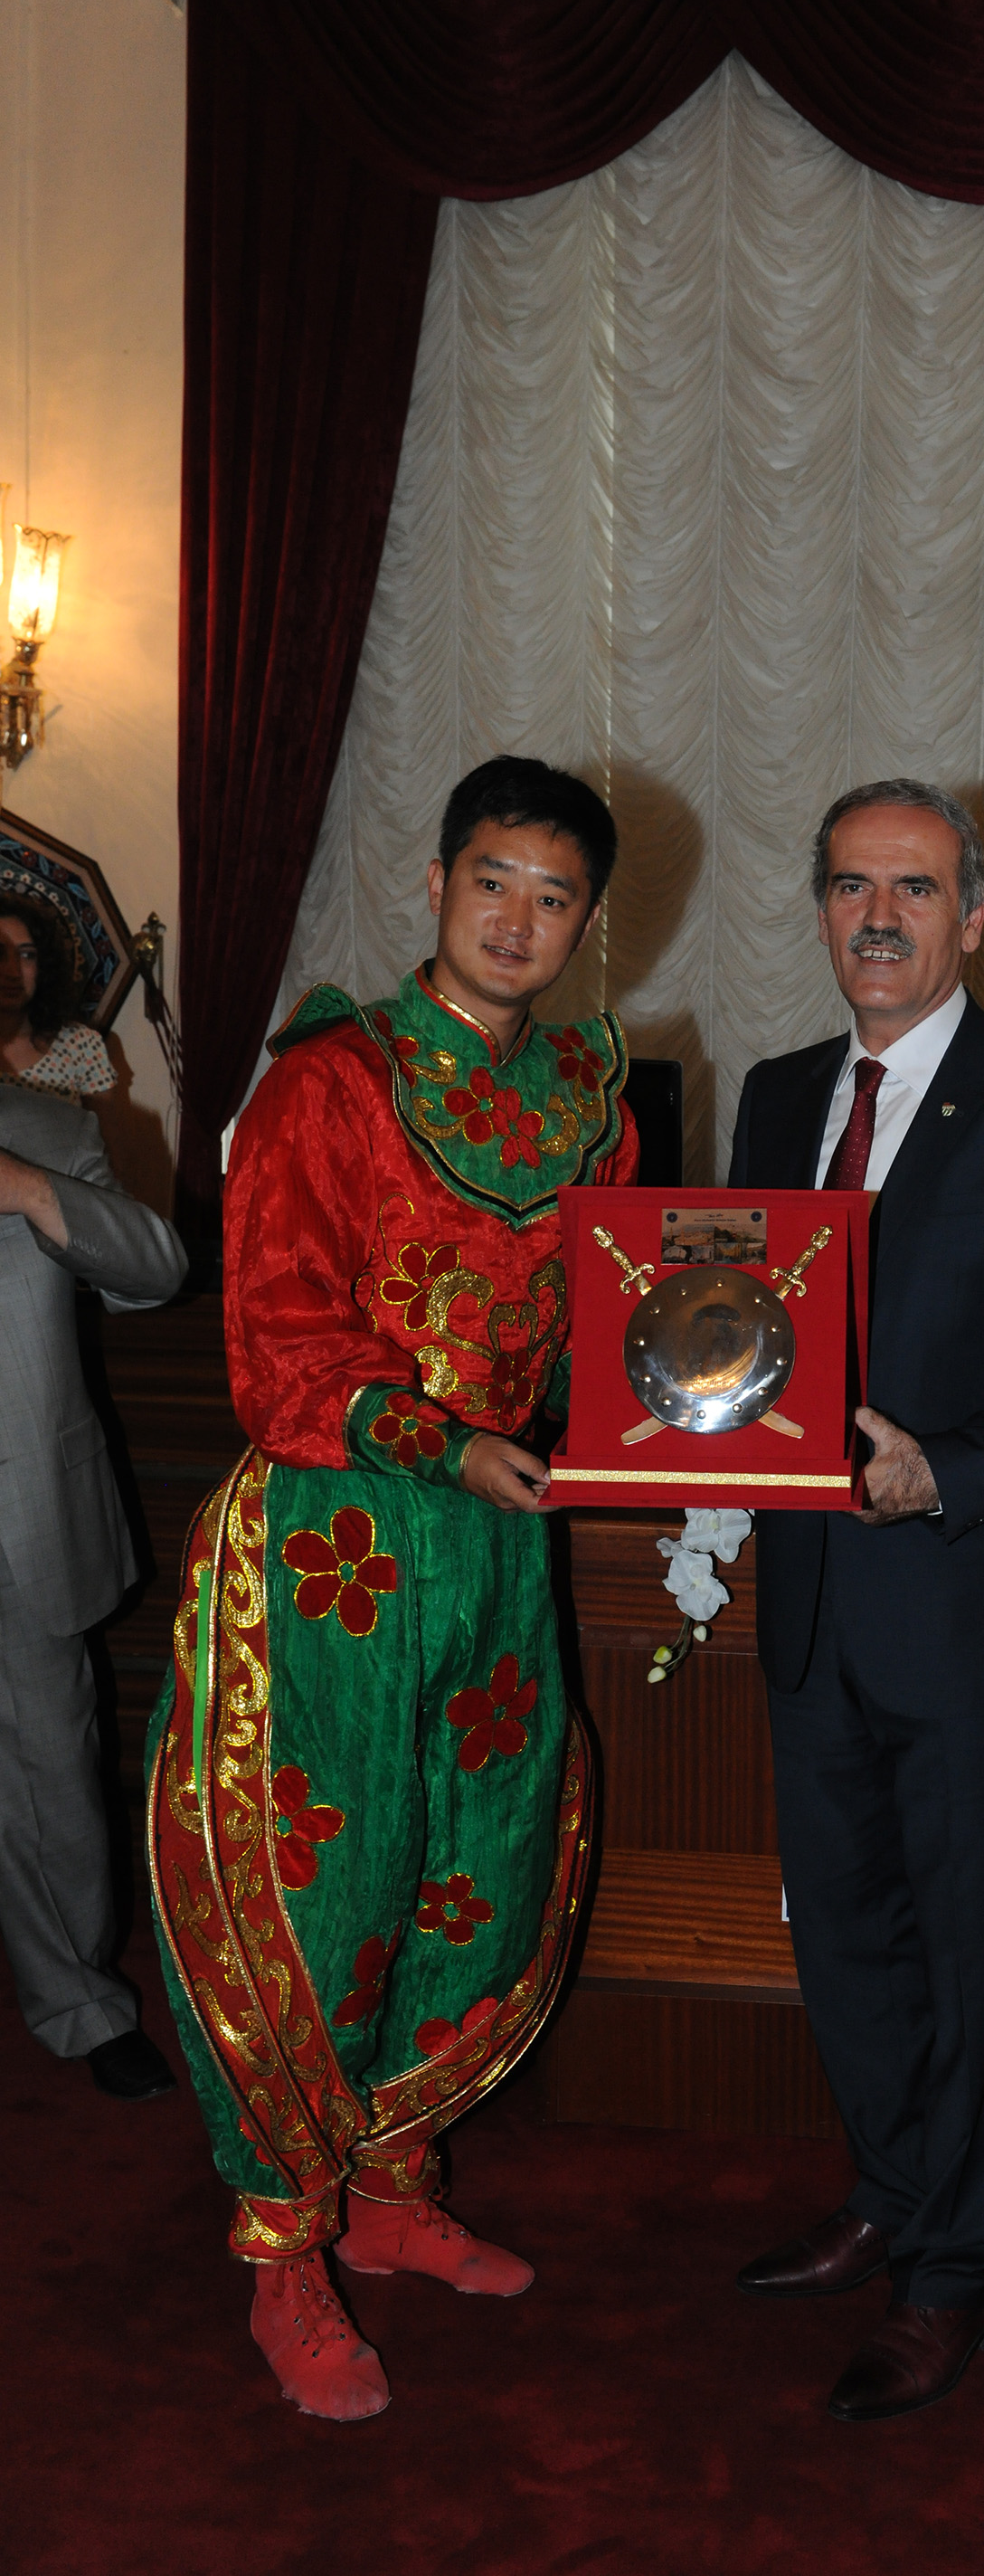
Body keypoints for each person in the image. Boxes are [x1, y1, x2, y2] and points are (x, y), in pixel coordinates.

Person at [147, 756, 639, 2423]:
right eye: (493, 881)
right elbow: (278, 1332)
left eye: (554, 897)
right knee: (325, 1887)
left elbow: (623, 1318)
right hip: (334, 1538)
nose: (518, 920)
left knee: (478, 1862)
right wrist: (435, 1438)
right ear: (436, 886)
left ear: (587, 920)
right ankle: (284, 2246)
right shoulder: (329, 1079)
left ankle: (394, 2185)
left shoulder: (592, 1097)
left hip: (498, 1544)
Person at [727, 776, 984, 2424]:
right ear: (821, 910)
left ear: (973, 915)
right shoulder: (774, 1096)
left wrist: (943, 1473)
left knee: (979, 1953)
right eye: (850, 887)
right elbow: (732, 1323)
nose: (878, 917)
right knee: (849, 1935)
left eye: (913, 889)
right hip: (811, 1599)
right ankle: (894, 2188)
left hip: (967, 1606)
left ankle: (961, 2270)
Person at [0, 1076, 185, 2096]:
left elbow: (154, 1273)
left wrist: (26, 1188)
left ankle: (79, 2002)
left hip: (15, 1515)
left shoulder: (44, 1128)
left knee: (47, 1771)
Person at [0, 891, 116, 1103]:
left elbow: (106, 1125)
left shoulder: (80, 1046)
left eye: (27, 955)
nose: (13, 972)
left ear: (44, 965)